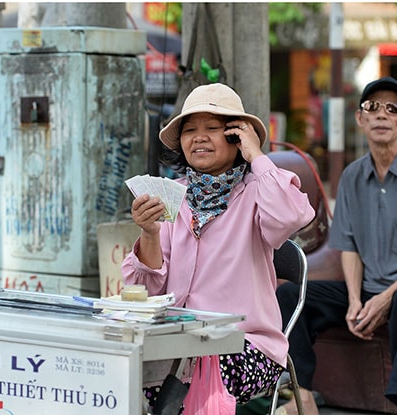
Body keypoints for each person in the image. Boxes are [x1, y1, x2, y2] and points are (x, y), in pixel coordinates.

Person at [121, 83, 315, 410]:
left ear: (235, 137)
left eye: (212, 128)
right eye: (190, 130)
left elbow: (292, 215)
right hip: (177, 343)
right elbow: (145, 294)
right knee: (120, 369)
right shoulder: (169, 196)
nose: (199, 137)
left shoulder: (257, 192)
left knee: (189, 379)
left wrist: (256, 156)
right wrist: (150, 234)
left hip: (246, 345)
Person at [276, 77, 397, 415]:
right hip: (369, 287)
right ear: (360, 119)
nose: (381, 115)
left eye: (393, 109)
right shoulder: (351, 176)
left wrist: (384, 299)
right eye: (372, 107)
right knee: (290, 295)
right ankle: (302, 393)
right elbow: (348, 247)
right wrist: (354, 300)